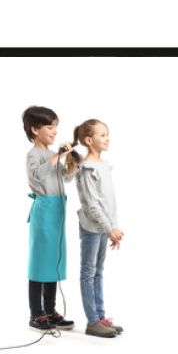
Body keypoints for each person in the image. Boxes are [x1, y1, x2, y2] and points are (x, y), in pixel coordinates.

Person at [22, 106, 80, 332]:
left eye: (56, 125)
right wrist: (57, 156)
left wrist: (71, 165)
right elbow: (36, 177)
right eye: (49, 126)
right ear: (35, 129)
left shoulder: (50, 154)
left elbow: (62, 178)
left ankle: (49, 311)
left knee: (53, 262)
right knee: (40, 263)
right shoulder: (34, 155)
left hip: (57, 211)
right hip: (44, 211)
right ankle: (36, 314)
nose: (55, 130)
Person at [72, 119, 124, 338]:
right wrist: (107, 228)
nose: (107, 138)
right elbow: (91, 204)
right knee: (88, 272)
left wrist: (113, 228)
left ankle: (100, 316)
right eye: (102, 135)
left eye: (107, 134)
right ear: (88, 140)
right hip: (92, 227)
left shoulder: (103, 165)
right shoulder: (86, 169)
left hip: (104, 227)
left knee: (98, 272)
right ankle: (92, 321)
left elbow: (108, 202)